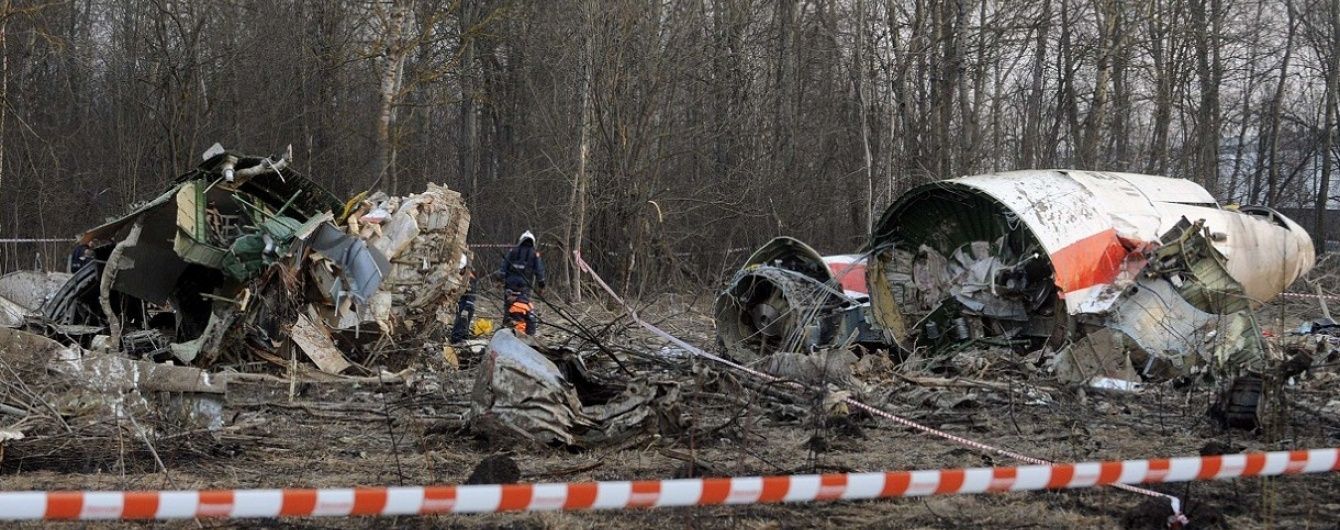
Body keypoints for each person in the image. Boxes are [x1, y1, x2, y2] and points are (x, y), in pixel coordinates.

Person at [495, 230, 545, 335]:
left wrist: (499, 280)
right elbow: (539, 271)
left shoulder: (512, 251)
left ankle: (506, 330)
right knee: (523, 308)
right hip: (524, 287)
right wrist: (541, 286)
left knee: (508, 308)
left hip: (509, 285)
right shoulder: (534, 254)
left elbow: (504, 266)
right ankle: (523, 333)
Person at [450, 255, 478, 344]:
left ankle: (457, 340)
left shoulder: (469, 277)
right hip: (463, 302)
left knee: (461, 323)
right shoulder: (463, 275)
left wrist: (467, 306)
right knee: (461, 324)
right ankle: (460, 339)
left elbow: (471, 294)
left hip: (466, 304)